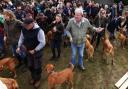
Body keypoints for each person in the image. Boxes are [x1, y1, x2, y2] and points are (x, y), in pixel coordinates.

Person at [16, 18, 45, 88]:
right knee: (30, 65)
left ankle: (37, 80)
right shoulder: (24, 29)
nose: (25, 27)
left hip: (37, 52)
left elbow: (43, 42)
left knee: (37, 67)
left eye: (26, 25)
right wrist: (18, 46)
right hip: (28, 51)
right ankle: (33, 77)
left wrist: (35, 50)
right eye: (24, 25)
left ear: (32, 24)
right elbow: (21, 38)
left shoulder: (39, 31)